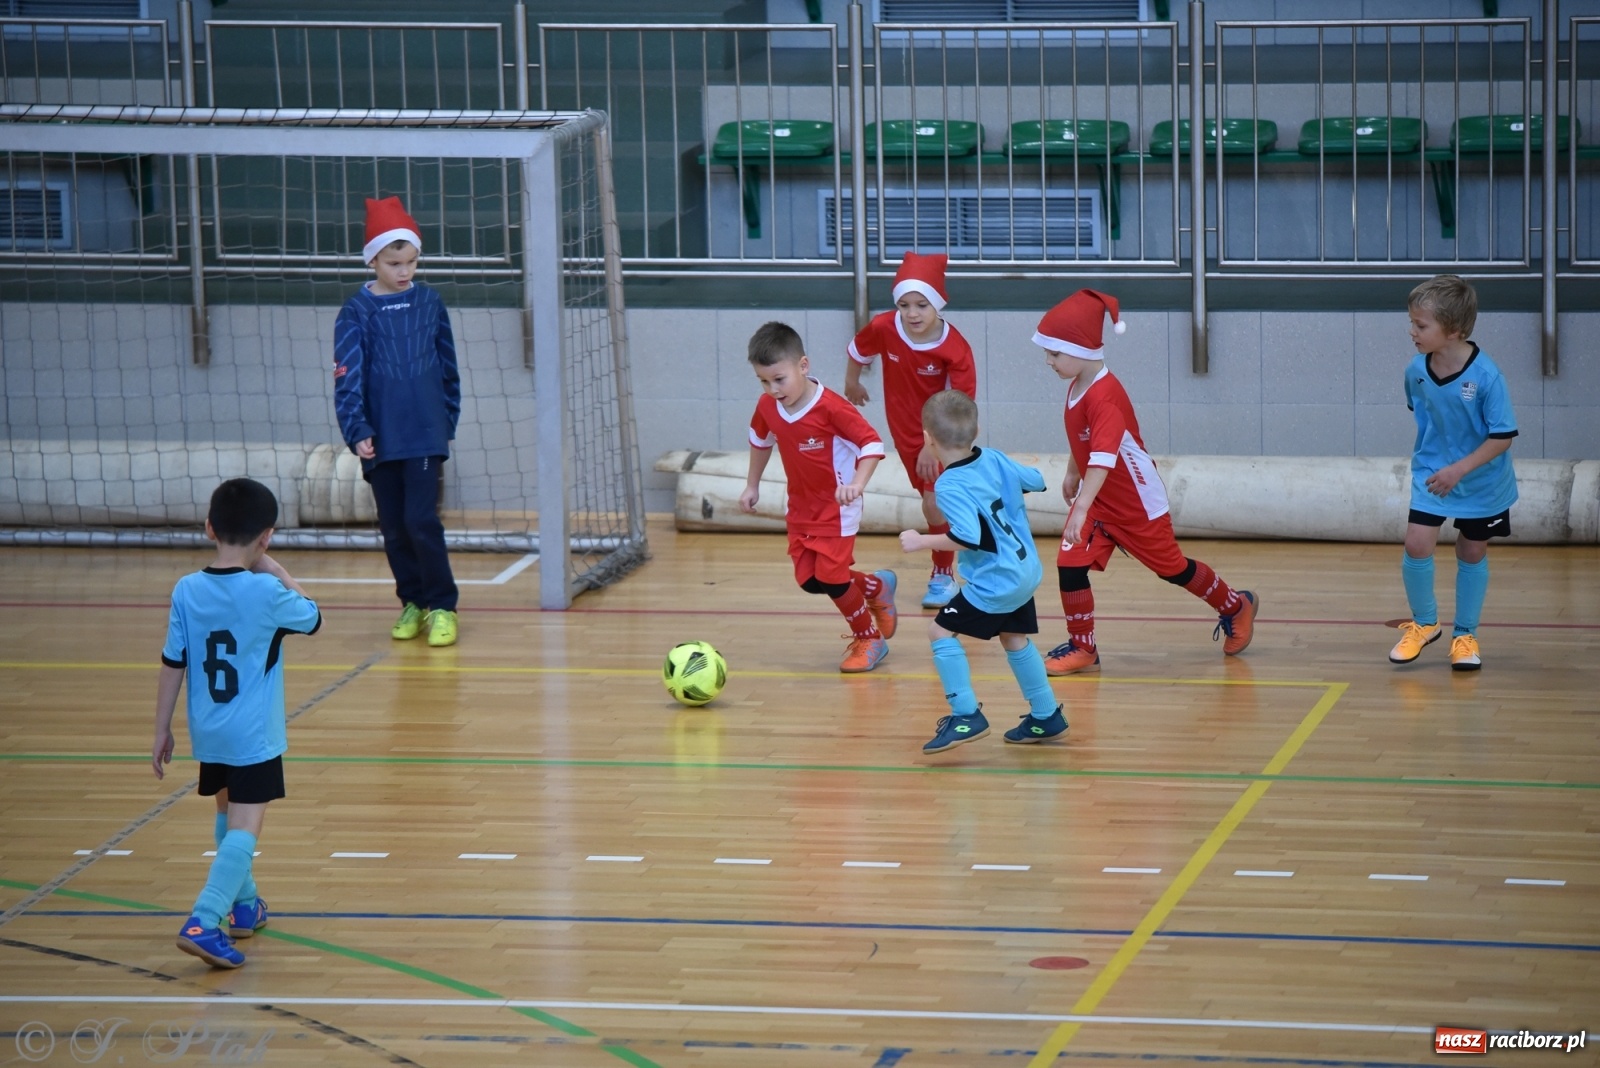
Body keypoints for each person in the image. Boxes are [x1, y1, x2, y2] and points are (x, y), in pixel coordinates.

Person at [1035, 289, 1258, 675]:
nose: (1048, 360)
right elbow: (1085, 440)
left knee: (1172, 568)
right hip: (1100, 497)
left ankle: (1235, 605)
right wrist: (1073, 469)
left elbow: (1104, 456)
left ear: (1083, 350)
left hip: (1134, 503)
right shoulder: (1077, 386)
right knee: (1069, 563)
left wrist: (1081, 505)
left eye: (1055, 352)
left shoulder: (1105, 395)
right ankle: (1083, 647)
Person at [151, 478, 322, 969]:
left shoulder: (186, 589)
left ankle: (244, 907)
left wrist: (161, 729)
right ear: (266, 536)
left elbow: (172, 663)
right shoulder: (267, 591)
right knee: (246, 828)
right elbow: (314, 618)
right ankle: (205, 919)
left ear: (209, 528)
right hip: (253, 736)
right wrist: (275, 568)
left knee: (227, 814)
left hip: (209, 731)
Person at [901, 391, 1066, 754]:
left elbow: (967, 537)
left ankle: (965, 716)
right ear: (977, 430)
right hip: (1024, 570)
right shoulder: (992, 457)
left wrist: (921, 541)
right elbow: (1037, 480)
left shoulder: (949, 484)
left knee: (939, 631)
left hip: (995, 581)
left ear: (927, 437)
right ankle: (1045, 714)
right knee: (1014, 638)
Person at [333, 195, 461, 648]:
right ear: (373, 260)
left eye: (410, 261)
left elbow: (448, 368)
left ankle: (443, 606)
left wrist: (447, 420)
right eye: (393, 263)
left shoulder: (429, 303)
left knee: (420, 519)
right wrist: (357, 429)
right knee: (394, 526)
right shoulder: (356, 312)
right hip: (381, 440)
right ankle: (414, 602)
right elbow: (347, 373)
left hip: (425, 435)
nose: (404, 271)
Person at [739, 321, 898, 673]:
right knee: (810, 581)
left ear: (803, 366)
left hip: (837, 508)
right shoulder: (768, 407)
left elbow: (871, 443)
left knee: (833, 578)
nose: (773, 389)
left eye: (779, 379)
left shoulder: (831, 408)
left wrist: (857, 483)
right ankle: (876, 585)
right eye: (764, 381)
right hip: (799, 507)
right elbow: (760, 441)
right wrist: (752, 485)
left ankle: (870, 639)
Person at [1390, 275, 1517, 671]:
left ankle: (1465, 635)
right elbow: (1425, 416)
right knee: (1416, 544)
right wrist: (1440, 467)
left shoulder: (1488, 377)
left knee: (1471, 549)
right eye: (1412, 322)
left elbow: (1502, 438)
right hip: (1432, 474)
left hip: (1481, 480)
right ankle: (1426, 624)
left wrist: (1458, 470)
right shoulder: (1416, 370)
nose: (1412, 331)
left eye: (1421, 325)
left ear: (1455, 331)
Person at [845, 252, 978, 610]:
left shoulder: (955, 349)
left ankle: (944, 575)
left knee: (935, 501)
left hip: (940, 436)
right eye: (904, 304)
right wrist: (852, 383)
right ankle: (964, 551)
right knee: (932, 501)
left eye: (921, 304)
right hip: (903, 432)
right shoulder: (885, 327)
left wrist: (931, 446)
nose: (912, 313)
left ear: (938, 304)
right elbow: (859, 349)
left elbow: (958, 410)